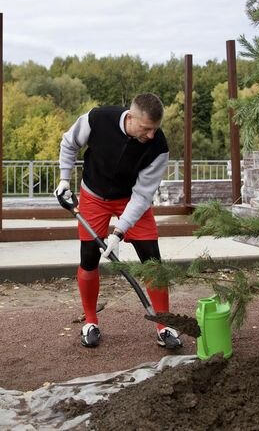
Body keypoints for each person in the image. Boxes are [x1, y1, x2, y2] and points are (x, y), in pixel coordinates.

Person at [54, 92, 182, 350]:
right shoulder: (98, 119)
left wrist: (119, 231)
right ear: (131, 117)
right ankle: (90, 322)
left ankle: (164, 325)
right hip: (93, 195)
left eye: (155, 129)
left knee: (152, 261)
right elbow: (69, 143)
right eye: (146, 129)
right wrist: (64, 180)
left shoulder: (158, 148)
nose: (151, 135)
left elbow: (143, 194)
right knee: (89, 256)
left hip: (131, 199)